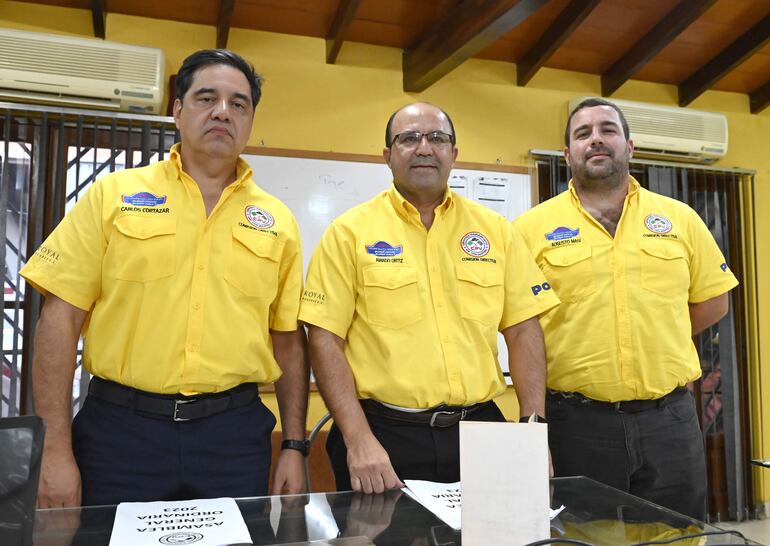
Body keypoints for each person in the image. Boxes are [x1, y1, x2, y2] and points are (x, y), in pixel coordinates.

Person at [20, 49, 309, 507]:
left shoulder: (278, 221)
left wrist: (294, 445)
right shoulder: (113, 196)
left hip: (233, 440)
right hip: (119, 435)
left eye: (239, 104)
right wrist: (53, 449)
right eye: (206, 98)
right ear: (177, 110)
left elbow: (289, 341)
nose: (222, 112)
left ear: (251, 120)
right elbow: (59, 320)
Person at [299, 102, 559, 493]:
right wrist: (358, 439)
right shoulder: (348, 233)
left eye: (437, 138)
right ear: (387, 156)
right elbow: (324, 338)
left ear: (454, 154)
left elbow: (523, 330)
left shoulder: (497, 232)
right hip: (383, 435)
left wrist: (533, 428)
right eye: (408, 138)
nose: (424, 147)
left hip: (482, 432)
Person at [512, 97, 739, 520]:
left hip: (669, 420)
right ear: (567, 155)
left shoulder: (680, 218)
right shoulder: (528, 230)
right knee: (584, 537)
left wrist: (658, 334)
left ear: (630, 146)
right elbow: (521, 327)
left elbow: (714, 301)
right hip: (576, 425)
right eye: (583, 133)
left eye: (607, 130)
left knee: (675, 533)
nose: (596, 139)